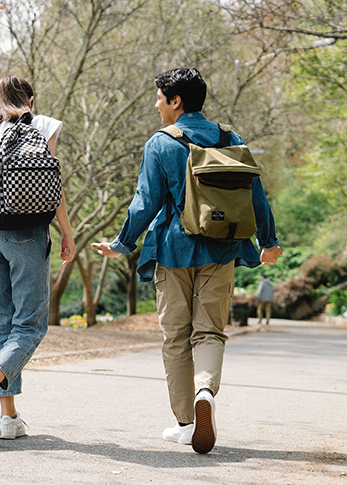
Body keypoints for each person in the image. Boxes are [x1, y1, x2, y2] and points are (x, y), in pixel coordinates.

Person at [91, 68, 282, 454]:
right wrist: (269, 241)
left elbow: (144, 203)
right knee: (209, 332)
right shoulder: (231, 139)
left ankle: (185, 422)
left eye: (159, 97)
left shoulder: (161, 144)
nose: (156, 104)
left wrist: (122, 243)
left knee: (176, 337)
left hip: (174, 250)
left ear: (176, 101)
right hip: (223, 250)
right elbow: (255, 196)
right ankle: (205, 391)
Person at [0, 75, 76, 440]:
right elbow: (51, 188)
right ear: (31, 98)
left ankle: (8, 418)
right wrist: (67, 235)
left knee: (0, 322)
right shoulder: (42, 126)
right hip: (25, 233)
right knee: (30, 325)